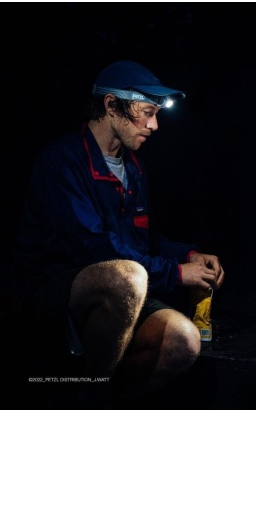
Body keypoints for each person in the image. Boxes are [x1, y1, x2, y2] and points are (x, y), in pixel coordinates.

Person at [14, 60, 224, 404]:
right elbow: (96, 250)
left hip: (124, 288)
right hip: (55, 291)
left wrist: (188, 255)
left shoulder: (134, 167)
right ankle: (91, 404)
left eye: (157, 114)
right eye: (147, 113)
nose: (154, 125)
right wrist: (175, 273)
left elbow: (145, 240)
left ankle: (96, 404)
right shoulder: (63, 161)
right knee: (127, 277)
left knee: (184, 340)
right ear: (111, 105)